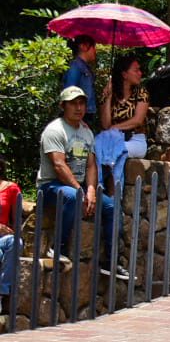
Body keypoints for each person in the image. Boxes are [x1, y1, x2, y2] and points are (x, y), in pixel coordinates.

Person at [37, 86, 122, 276]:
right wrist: (80, 191)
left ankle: (110, 261)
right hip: (51, 186)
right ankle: (58, 248)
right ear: (63, 106)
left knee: (111, 208)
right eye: (73, 103)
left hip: (79, 186)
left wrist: (91, 190)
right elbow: (59, 166)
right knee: (73, 196)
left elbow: (91, 165)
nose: (78, 107)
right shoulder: (54, 130)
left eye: (81, 103)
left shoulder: (86, 132)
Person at [100, 53, 149, 162]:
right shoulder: (109, 93)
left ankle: (108, 179)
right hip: (114, 138)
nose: (140, 73)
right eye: (136, 70)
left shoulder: (141, 93)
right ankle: (107, 179)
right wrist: (108, 98)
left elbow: (138, 121)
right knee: (98, 147)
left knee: (115, 150)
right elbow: (105, 124)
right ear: (124, 74)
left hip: (135, 140)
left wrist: (114, 128)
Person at [62, 36, 100, 119]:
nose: (95, 51)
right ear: (83, 46)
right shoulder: (75, 67)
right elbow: (69, 92)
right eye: (93, 47)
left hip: (84, 114)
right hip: (79, 115)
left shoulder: (85, 67)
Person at [0, 157, 19, 314]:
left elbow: (16, 220)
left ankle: (2, 290)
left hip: (3, 238)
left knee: (15, 242)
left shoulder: (11, 188)